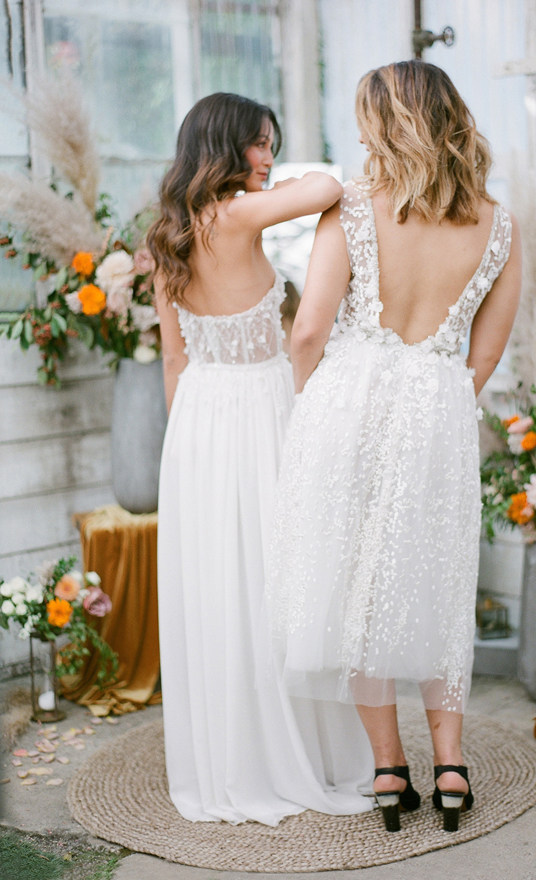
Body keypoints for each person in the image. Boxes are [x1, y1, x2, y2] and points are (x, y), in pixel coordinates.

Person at [266, 61, 522, 833]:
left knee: (358, 588)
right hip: (438, 406)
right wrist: (437, 403)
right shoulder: (499, 224)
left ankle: (387, 770)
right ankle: (452, 768)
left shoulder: (351, 207)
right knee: (435, 582)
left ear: (386, 124)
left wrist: (307, 403)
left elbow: (309, 330)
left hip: (348, 403)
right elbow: (485, 353)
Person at [148, 92, 373, 826]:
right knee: (280, 571)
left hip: (198, 421)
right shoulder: (239, 214)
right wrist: (287, 183)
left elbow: (173, 358)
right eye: (260, 144)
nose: (269, 158)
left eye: (273, 144)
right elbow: (331, 186)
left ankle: (232, 753)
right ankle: (293, 750)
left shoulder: (169, 236)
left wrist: (185, 449)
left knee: (221, 580)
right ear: (224, 145)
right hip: (260, 406)